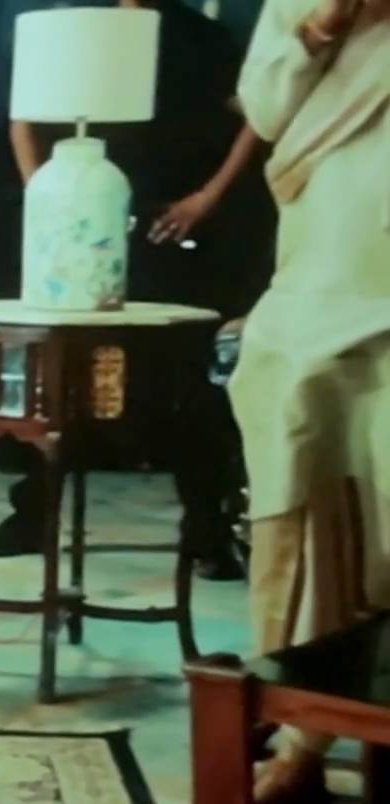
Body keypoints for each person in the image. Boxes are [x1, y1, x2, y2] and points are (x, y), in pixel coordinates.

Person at [0, 0, 273, 580]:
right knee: (66, 372)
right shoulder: (75, 23)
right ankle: (34, 511)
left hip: (176, 227)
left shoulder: (201, 37)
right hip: (89, 226)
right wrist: (48, 201)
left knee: (191, 380)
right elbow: (23, 119)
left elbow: (257, 116)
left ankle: (207, 529)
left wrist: (207, 198)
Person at [226, 0, 389, 799]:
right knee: (307, 486)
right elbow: (264, 109)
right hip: (328, 263)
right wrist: (321, 28)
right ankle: (302, 741)